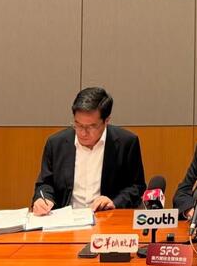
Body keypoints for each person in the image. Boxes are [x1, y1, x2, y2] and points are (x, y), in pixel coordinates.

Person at [32, 87, 146, 215]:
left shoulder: (127, 143)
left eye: (91, 126)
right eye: (78, 125)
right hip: (66, 219)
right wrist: (43, 199)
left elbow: (137, 187)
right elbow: (45, 184)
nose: (83, 133)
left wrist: (114, 202)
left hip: (106, 217)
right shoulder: (56, 143)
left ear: (106, 121)